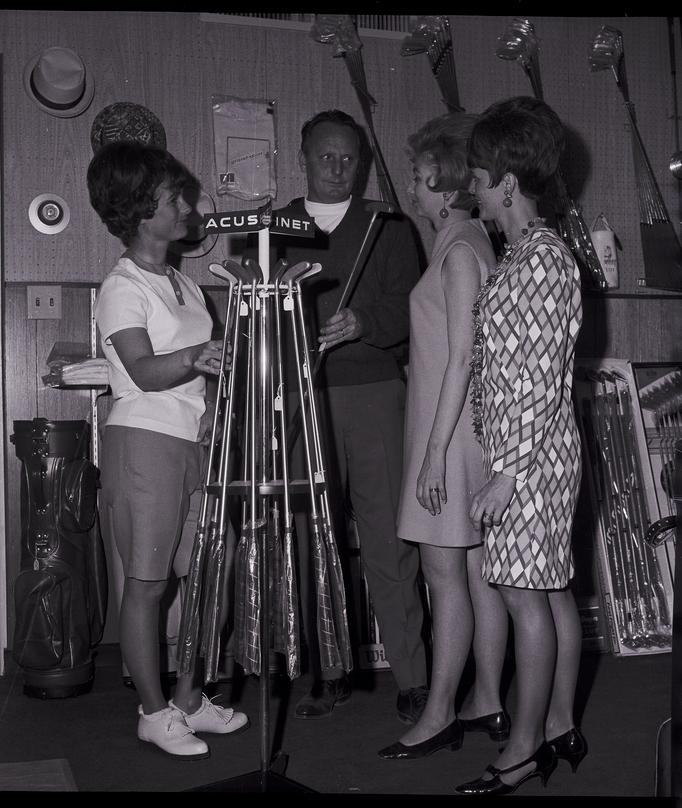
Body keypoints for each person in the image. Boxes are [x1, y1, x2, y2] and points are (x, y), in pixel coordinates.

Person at [249, 110, 428, 722]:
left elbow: (411, 311)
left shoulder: (388, 224)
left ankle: (413, 678)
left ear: (363, 163)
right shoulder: (272, 228)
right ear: (301, 158)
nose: (337, 168)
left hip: (376, 395)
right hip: (300, 399)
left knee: (389, 542)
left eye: (349, 158)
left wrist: (365, 322)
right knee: (306, 541)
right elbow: (254, 318)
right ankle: (329, 672)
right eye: (326, 157)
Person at [88, 141, 248, 760]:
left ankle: (189, 697)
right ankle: (153, 713)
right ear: (137, 210)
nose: (186, 206)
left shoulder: (184, 283)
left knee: (214, 567)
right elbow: (144, 371)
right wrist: (195, 357)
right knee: (148, 584)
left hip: (193, 442)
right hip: (143, 443)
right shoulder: (120, 287)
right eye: (172, 198)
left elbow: (201, 372)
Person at [454, 96, 586, 795]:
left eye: (477, 178)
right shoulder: (531, 255)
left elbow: (534, 378)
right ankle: (559, 723)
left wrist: (504, 473)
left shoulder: (539, 260)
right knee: (549, 589)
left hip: (528, 457)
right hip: (535, 449)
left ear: (507, 183)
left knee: (521, 593)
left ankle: (526, 746)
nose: (470, 190)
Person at [377, 113, 510, 761]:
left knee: (443, 574)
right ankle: (486, 699)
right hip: (458, 431)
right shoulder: (467, 241)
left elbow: (461, 359)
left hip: (449, 436)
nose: (411, 183)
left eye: (417, 172)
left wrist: (431, 457)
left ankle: (438, 715)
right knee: (477, 573)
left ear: (443, 178)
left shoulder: (459, 249)